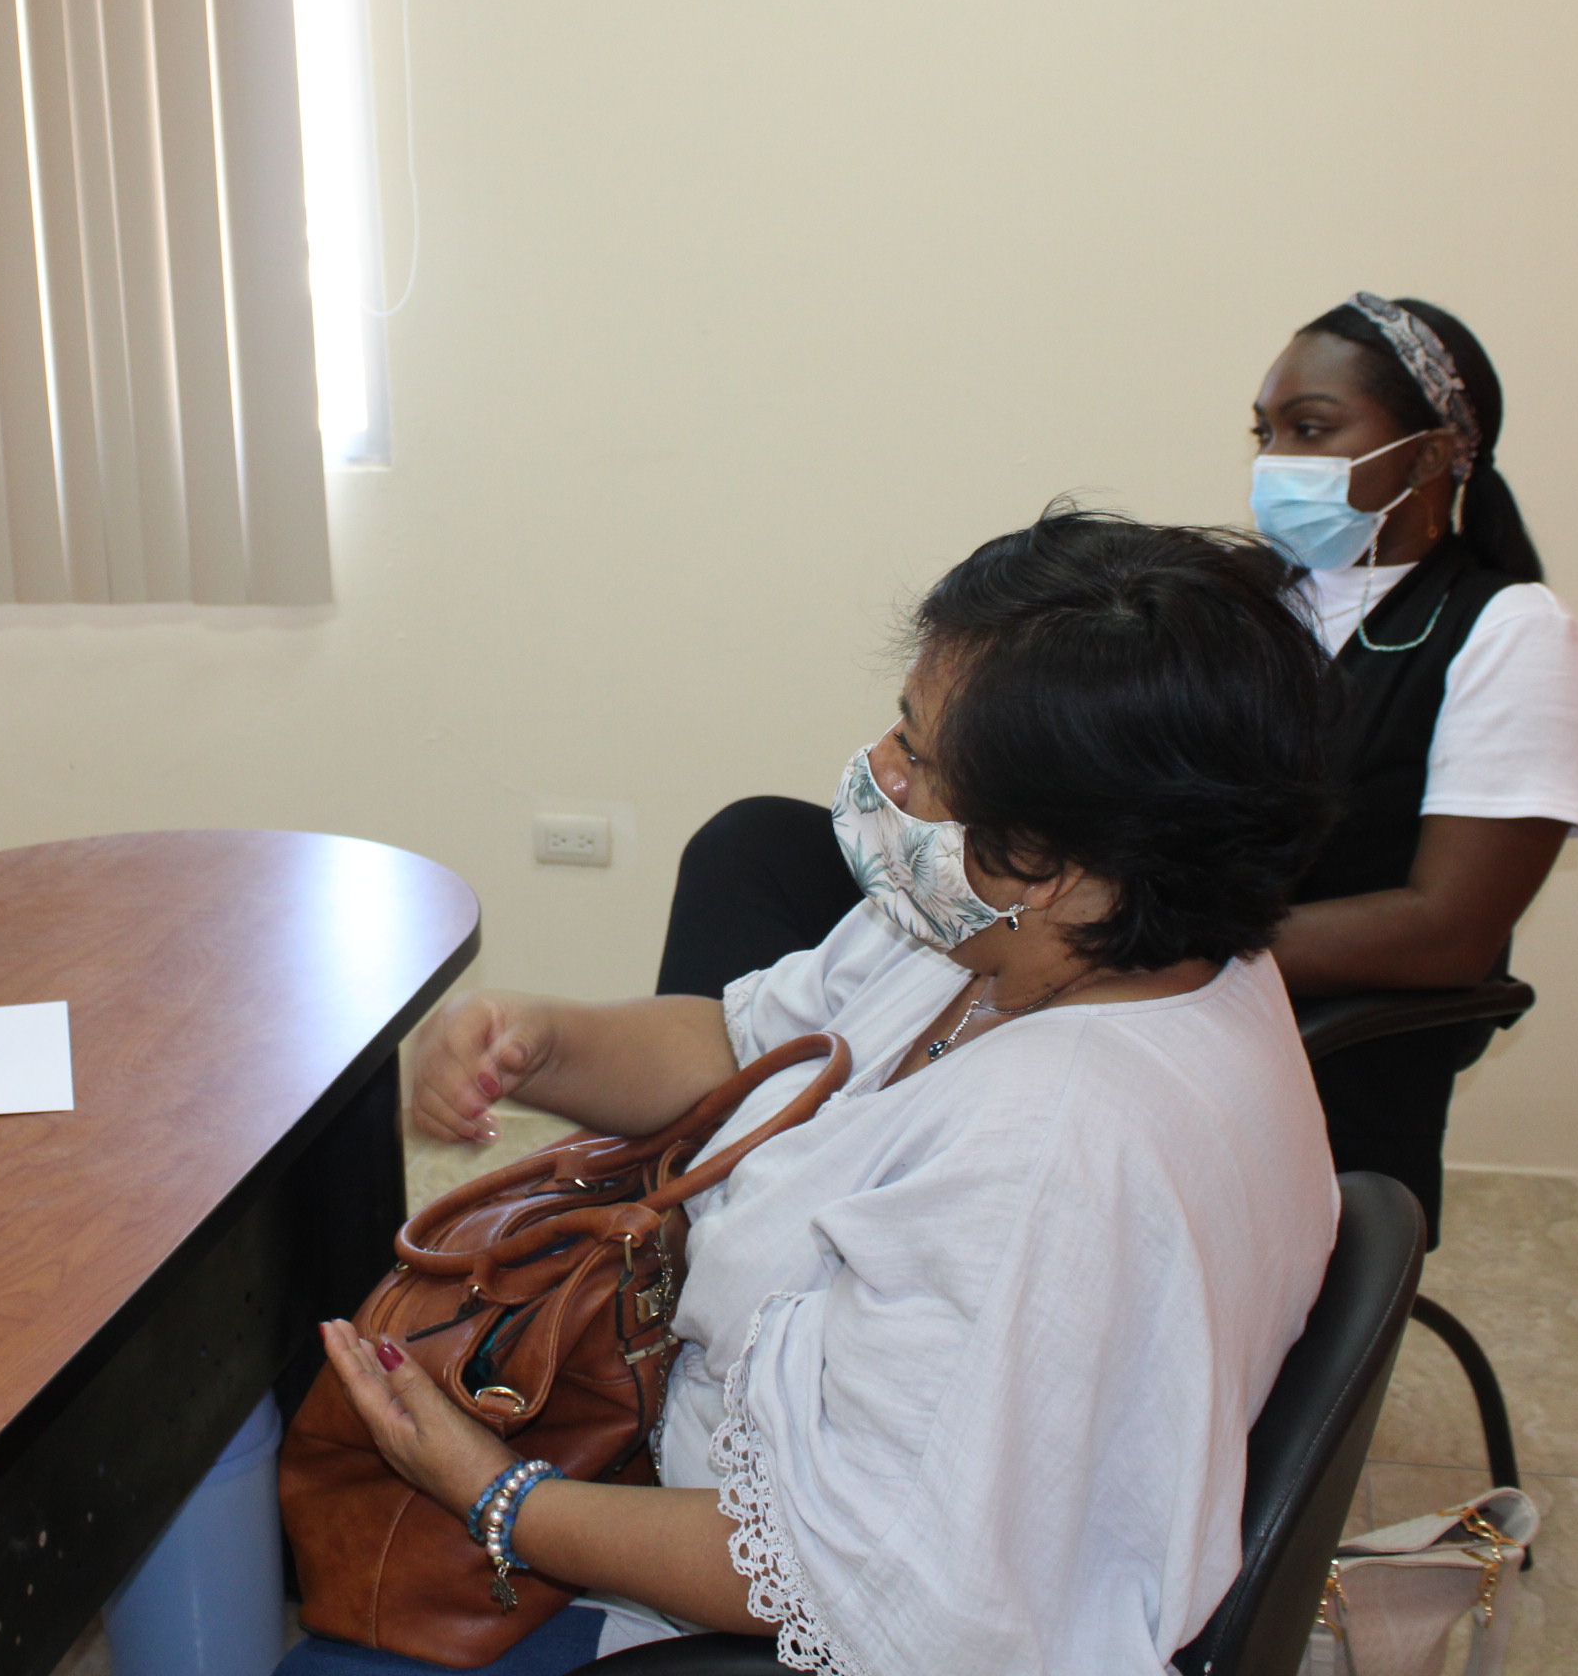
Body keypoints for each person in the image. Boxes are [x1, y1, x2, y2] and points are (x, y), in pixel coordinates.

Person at [292, 510, 1343, 1675]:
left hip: (748, 1617)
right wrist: (549, 1041)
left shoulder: (1046, 1154)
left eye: (921, 760)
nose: (880, 770)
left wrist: (495, 1494)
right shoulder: (1015, 938)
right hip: (688, 1466)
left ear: (1056, 862)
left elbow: (845, 1574)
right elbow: (748, 1049)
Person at [652, 293, 1578, 1242]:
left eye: (1311, 430)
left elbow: (1450, 930)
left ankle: (751, 1185)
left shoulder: (1508, 629)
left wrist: (1122, 938)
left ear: (1431, 455)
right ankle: (717, 1151)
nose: (1276, 461)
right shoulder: (1249, 600)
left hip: (1257, 998)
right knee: (759, 844)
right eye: (1265, 433)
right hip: (1092, 926)